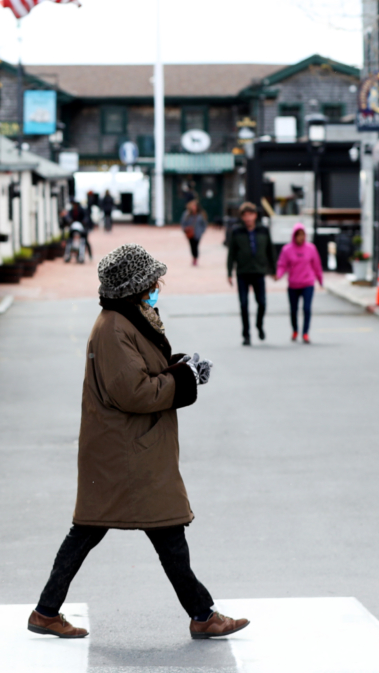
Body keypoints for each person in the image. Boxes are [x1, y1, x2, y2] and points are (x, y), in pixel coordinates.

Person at [28, 244, 249, 641]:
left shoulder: (129, 320)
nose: (157, 285)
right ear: (134, 287)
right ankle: (203, 615)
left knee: (100, 531)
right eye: (151, 280)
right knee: (163, 530)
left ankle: (46, 612)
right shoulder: (115, 328)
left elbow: (144, 372)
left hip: (126, 449)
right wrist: (184, 380)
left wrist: (184, 367)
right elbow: (133, 392)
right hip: (127, 453)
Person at [226, 202, 275, 346]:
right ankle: (246, 334)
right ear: (242, 217)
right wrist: (229, 272)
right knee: (243, 304)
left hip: (259, 271)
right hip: (243, 272)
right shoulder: (236, 231)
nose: (248, 218)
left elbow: (270, 250)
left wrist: (274, 269)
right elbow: (231, 253)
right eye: (245, 215)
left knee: (262, 302)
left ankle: (259, 325)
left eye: (250, 215)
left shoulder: (263, 230)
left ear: (255, 215)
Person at [275, 222, 323, 343]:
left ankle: (305, 332)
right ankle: (295, 329)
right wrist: (278, 275)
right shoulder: (287, 250)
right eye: (298, 235)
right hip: (293, 284)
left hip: (307, 283)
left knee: (307, 308)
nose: (301, 237)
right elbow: (282, 265)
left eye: (303, 234)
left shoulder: (311, 248)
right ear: (294, 236)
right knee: (293, 309)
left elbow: (317, 265)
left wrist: (320, 279)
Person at [180, 199, 207, 266]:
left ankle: (195, 258)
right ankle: (194, 257)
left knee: (196, 246)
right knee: (192, 246)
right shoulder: (187, 214)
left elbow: (204, 224)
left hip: (198, 233)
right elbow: (183, 223)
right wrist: (185, 229)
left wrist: (202, 231)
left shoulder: (201, 215)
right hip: (190, 233)